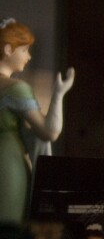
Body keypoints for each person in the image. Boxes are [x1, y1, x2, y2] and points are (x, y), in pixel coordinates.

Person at [0, 18, 74, 223]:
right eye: (24, 50)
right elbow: (49, 132)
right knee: (8, 231)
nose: (29, 56)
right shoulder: (15, 88)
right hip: (6, 165)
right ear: (7, 49)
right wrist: (58, 94)